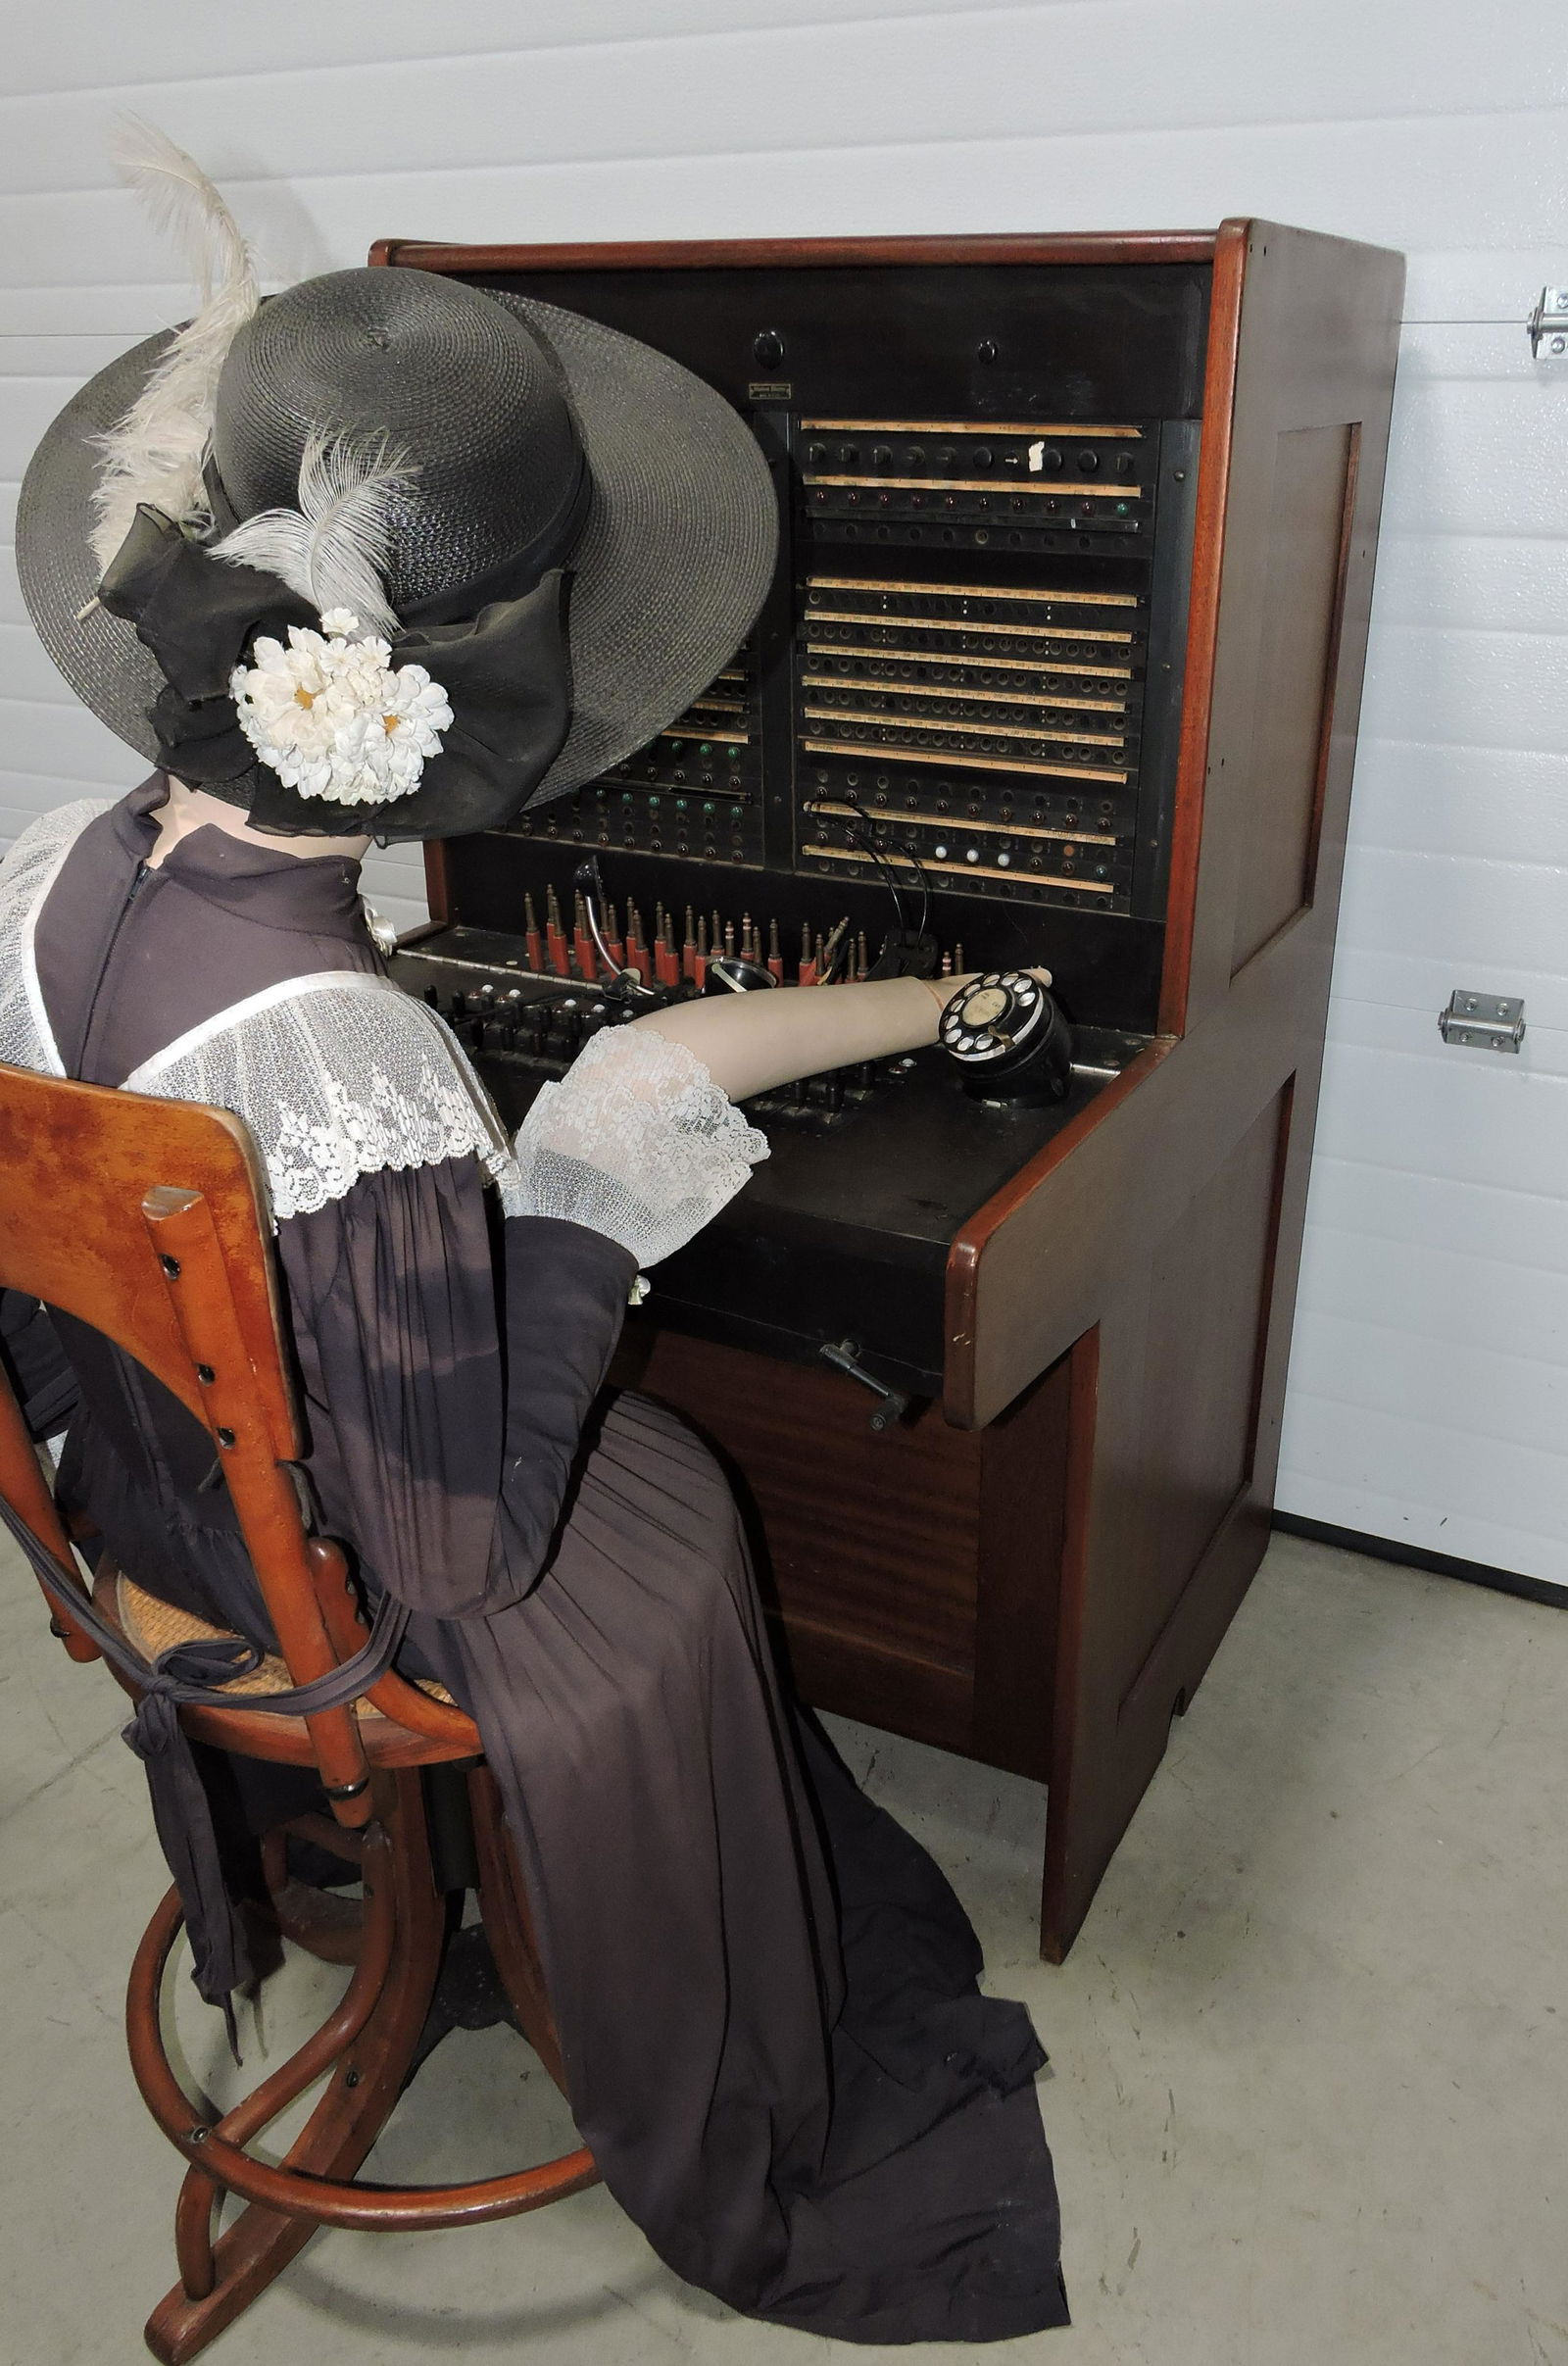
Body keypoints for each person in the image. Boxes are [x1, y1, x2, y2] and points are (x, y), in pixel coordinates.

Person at [2, 127, 1069, 2343]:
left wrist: (581, 1124)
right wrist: (577, 1204)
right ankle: (647, 1937)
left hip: (138, 1513)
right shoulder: (340, 1061)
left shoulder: (35, 868)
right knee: (660, 1494)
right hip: (348, 1586)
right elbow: (470, 1545)